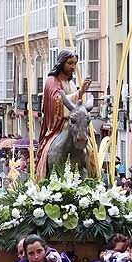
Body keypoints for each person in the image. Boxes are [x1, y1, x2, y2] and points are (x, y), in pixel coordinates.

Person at [34, 49, 91, 180]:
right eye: (69, 63)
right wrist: (79, 92)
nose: (72, 67)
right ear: (61, 63)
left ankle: (93, 176)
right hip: (58, 126)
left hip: (75, 123)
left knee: (90, 151)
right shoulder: (51, 81)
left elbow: (77, 105)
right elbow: (57, 100)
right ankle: (43, 175)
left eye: (74, 63)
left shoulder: (70, 83)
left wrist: (81, 93)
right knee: (47, 150)